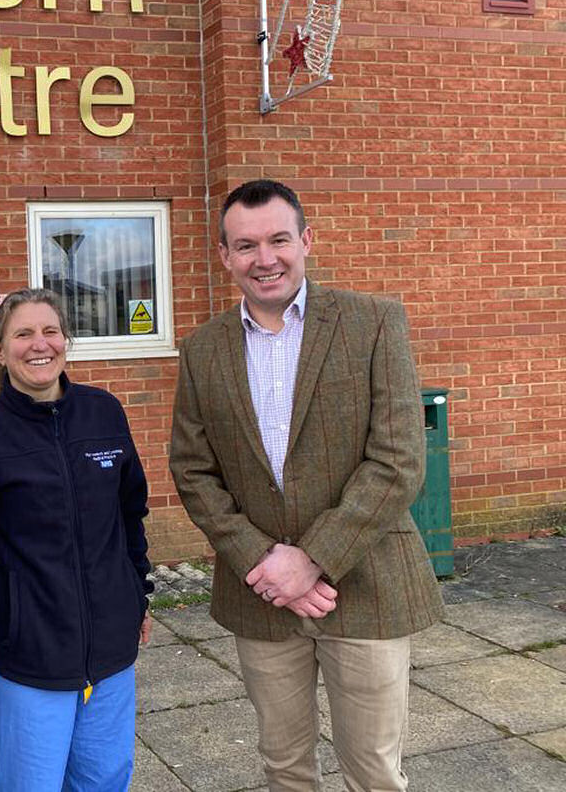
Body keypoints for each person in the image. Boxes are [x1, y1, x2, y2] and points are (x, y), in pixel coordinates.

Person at [169, 179, 444, 791]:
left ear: (306, 241)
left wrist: (313, 559)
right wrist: (265, 561)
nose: (264, 259)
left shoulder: (373, 322)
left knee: (373, 770)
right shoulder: (201, 351)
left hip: (365, 584)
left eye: (278, 240)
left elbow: (399, 459)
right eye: (245, 246)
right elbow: (193, 470)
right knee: (285, 768)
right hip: (262, 595)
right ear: (224, 256)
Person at [0, 288, 153, 790]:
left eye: (50, 331)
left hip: (109, 652)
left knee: (103, 781)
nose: (40, 344)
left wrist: (137, 594)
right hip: (23, 654)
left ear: (66, 341)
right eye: (23, 333)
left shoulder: (105, 414)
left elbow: (131, 515)